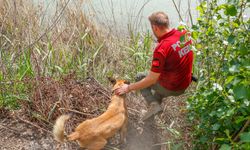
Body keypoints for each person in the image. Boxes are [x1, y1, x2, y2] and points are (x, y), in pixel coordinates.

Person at [115, 11, 194, 120]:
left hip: (173, 88)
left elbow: (151, 80)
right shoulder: (185, 35)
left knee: (140, 76)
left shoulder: (162, 48)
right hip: (185, 83)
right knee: (160, 79)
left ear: (155, 28)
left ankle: (154, 104)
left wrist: (128, 88)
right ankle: (151, 115)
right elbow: (186, 56)